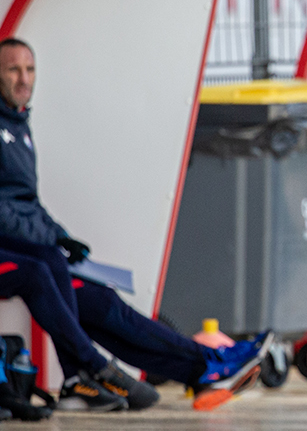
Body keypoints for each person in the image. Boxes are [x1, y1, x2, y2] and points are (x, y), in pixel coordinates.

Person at [0, 38, 267, 411]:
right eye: (13, 69)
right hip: (20, 255)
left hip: (35, 249)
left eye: (29, 70)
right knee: (47, 271)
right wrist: (48, 239)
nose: (23, 78)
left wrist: (61, 235)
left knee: (103, 303)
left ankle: (202, 369)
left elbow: (27, 202)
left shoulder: (19, 125)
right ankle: (86, 372)